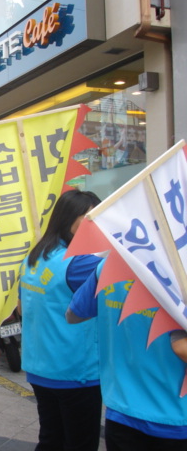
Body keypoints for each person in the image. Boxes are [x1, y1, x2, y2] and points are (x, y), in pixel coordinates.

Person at [67, 263, 187, 450]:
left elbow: (73, 314)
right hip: (174, 417)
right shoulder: (179, 273)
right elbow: (180, 347)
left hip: (122, 409)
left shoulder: (108, 265)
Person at [18, 189, 103, 451]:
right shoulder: (80, 264)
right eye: (90, 218)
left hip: (40, 367)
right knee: (80, 443)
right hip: (76, 370)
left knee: (51, 438)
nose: (96, 224)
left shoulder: (34, 257)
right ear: (70, 220)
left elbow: (22, 309)